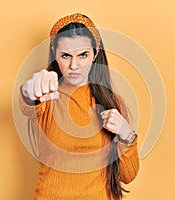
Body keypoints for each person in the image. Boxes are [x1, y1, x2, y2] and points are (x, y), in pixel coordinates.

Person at [20, 13, 139, 200]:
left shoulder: (111, 102)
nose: (74, 65)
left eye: (83, 55)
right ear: (55, 54)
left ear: (95, 53)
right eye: (65, 55)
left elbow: (127, 176)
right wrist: (28, 91)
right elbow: (27, 104)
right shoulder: (46, 96)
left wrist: (126, 134)